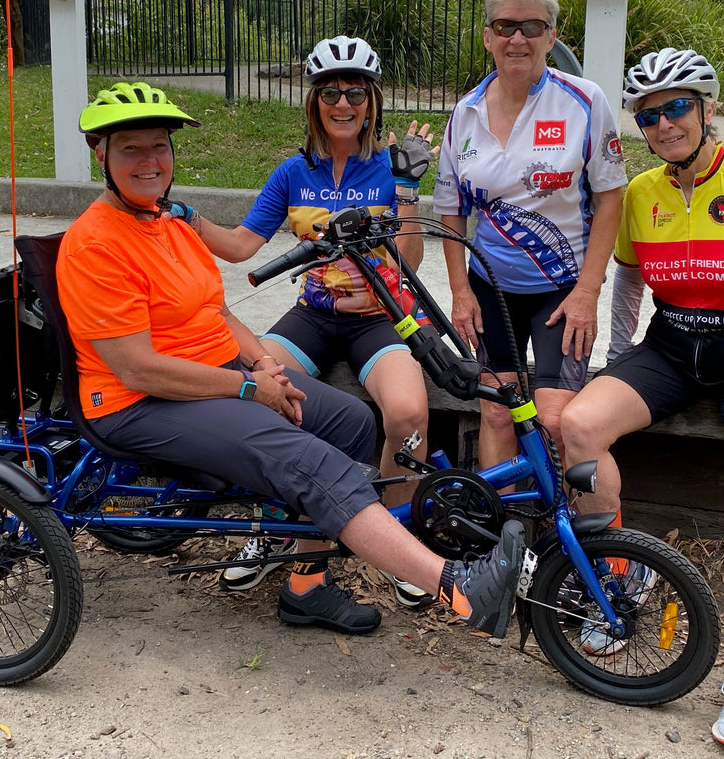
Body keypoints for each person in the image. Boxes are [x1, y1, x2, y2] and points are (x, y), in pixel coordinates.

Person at [56, 81, 524, 639]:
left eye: (159, 145)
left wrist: (260, 363)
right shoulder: (96, 243)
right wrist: (249, 390)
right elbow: (138, 368)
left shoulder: (164, 222)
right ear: (100, 154)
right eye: (131, 148)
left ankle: (305, 585)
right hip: (140, 402)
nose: (150, 160)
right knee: (308, 460)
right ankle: (459, 589)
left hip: (214, 376)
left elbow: (216, 311)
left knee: (352, 423)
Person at [559, 49, 724, 756]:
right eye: (649, 114)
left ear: (704, 109)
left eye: (676, 107)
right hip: (672, 348)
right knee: (577, 422)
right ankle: (619, 579)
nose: (663, 123)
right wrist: (615, 363)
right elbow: (630, 286)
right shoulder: (642, 192)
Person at [191, 35, 438, 608]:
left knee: (407, 413)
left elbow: (411, 260)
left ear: (372, 100)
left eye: (355, 91)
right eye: (330, 92)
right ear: (314, 102)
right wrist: (183, 215)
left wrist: (405, 191)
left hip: (382, 317)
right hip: (314, 314)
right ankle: (271, 529)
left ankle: (396, 536)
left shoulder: (391, 164)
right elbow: (241, 245)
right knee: (259, 391)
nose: (342, 102)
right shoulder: (292, 171)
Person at [432, 0, 626, 468]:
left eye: (531, 27)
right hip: (490, 288)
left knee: (557, 418)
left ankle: (579, 536)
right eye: (505, 26)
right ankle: (506, 537)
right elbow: (452, 209)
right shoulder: (464, 114)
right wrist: (460, 290)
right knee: (497, 415)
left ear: (551, 37)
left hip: (562, 289)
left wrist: (588, 292)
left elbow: (610, 198)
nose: (517, 38)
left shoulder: (584, 102)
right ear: (487, 36)